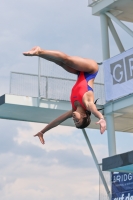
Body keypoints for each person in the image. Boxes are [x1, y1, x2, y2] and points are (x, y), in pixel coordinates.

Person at [23, 46, 106, 144]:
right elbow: (94, 110)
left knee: (60, 62)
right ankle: (39, 51)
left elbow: (57, 121)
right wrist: (101, 118)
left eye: (75, 122)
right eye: (78, 121)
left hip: (80, 73)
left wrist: (42, 132)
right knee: (66, 60)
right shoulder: (87, 103)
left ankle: (38, 52)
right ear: (84, 115)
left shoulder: (73, 109)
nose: (74, 120)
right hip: (91, 69)